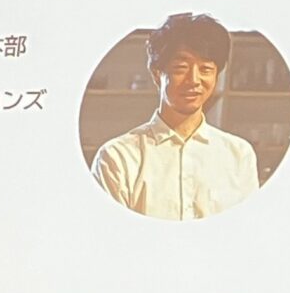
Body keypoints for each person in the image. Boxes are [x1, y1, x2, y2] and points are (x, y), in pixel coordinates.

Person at [90, 13, 262, 219]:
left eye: (206, 69)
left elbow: (246, 229)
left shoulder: (239, 154)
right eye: (181, 68)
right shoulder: (118, 157)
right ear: (156, 74)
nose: (194, 80)